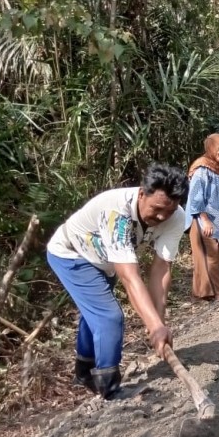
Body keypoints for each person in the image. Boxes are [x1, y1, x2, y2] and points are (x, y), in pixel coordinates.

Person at [46, 164, 188, 398]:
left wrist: (158, 321)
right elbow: (129, 277)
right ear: (142, 194)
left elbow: (161, 268)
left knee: (94, 315)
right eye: (157, 209)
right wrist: (154, 326)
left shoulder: (176, 217)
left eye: (169, 211)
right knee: (109, 317)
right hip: (72, 254)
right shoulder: (117, 212)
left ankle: (83, 372)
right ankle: (109, 388)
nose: (162, 217)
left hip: (104, 261)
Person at [185, 133, 219, 303]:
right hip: (202, 221)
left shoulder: (218, 169)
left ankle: (204, 292)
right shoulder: (201, 169)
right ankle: (218, 293)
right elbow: (196, 198)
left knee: (214, 257)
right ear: (211, 148)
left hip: (217, 219)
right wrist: (204, 220)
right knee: (210, 257)